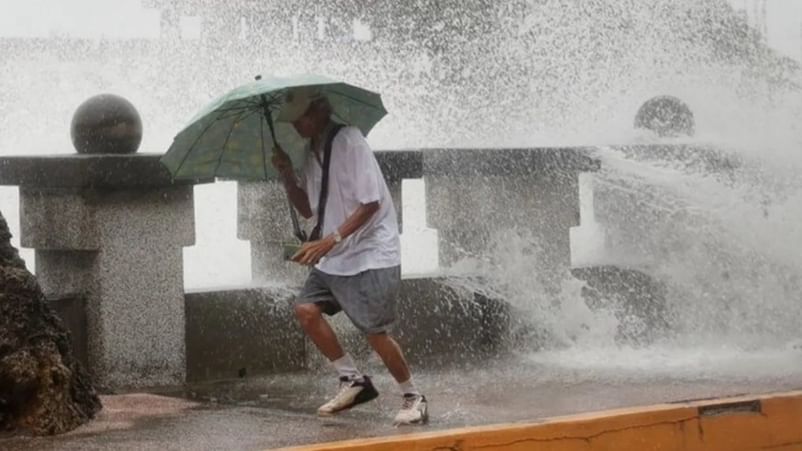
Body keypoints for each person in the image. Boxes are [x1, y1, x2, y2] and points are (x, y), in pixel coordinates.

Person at [271, 87, 428, 426]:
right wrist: (286, 174)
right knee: (306, 310)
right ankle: (353, 379)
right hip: (336, 254)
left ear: (319, 110)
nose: (296, 126)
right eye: (293, 121)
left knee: (374, 332)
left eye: (301, 118)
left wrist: (330, 240)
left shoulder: (350, 141)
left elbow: (370, 203)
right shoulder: (309, 152)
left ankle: (413, 396)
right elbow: (308, 208)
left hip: (371, 252)